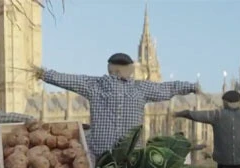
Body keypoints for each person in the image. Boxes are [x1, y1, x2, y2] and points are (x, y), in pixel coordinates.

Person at [34, 53, 199, 158]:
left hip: (102, 154)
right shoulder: (141, 88)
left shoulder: (94, 85)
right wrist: (191, 86)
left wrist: (44, 74)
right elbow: (168, 88)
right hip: (131, 155)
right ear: (125, 70)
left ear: (110, 69)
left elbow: (67, 79)